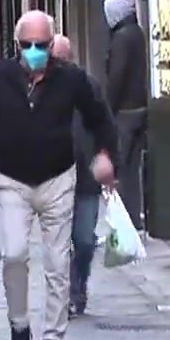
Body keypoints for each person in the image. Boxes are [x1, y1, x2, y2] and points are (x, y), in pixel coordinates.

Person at [0, 10, 118, 340]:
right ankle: (19, 328)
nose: (34, 51)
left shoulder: (71, 80)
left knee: (58, 263)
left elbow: (100, 118)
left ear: (51, 44)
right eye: (27, 45)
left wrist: (106, 156)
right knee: (14, 255)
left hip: (59, 178)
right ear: (17, 45)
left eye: (41, 45)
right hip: (13, 179)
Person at [52, 34, 113, 316]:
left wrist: (109, 159)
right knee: (60, 242)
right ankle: (68, 293)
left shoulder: (90, 87)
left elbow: (105, 126)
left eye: (65, 59)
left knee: (85, 241)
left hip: (86, 177)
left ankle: (79, 283)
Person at [103, 0, 148, 231]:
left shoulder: (121, 38)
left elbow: (116, 78)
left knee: (121, 168)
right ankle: (134, 218)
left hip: (125, 111)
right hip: (139, 106)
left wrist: (108, 109)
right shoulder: (137, 33)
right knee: (133, 167)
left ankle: (126, 221)